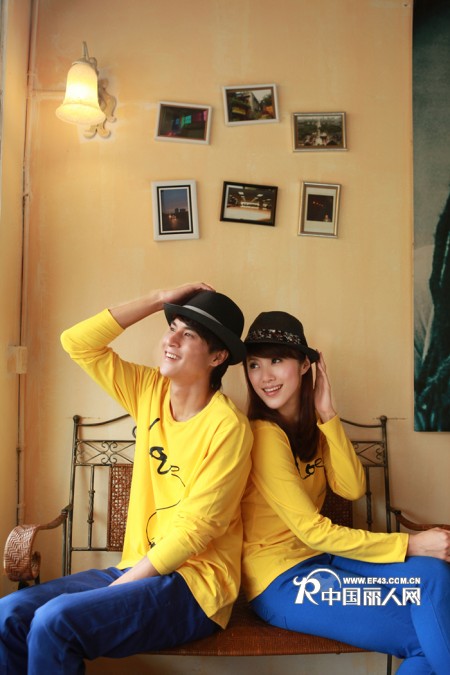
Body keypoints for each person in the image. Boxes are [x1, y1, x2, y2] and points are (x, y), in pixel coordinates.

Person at [0, 282, 252, 674]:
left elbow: (196, 530)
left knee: (55, 621)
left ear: (218, 356)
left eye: (189, 335)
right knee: (9, 612)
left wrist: (121, 587)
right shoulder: (149, 390)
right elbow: (77, 343)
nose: (171, 340)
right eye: (172, 327)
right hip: (137, 567)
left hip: (196, 586)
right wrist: (158, 299)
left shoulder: (228, 427)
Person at [241, 310, 450, 674]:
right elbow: (312, 530)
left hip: (322, 559)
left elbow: (352, 488)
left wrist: (327, 414)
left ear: (305, 365)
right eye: (254, 365)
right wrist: (411, 543)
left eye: (276, 360)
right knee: (424, 639)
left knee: (432, 576)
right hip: (281, 580)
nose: (264, 376)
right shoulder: (263, 435)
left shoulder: (309, 428)